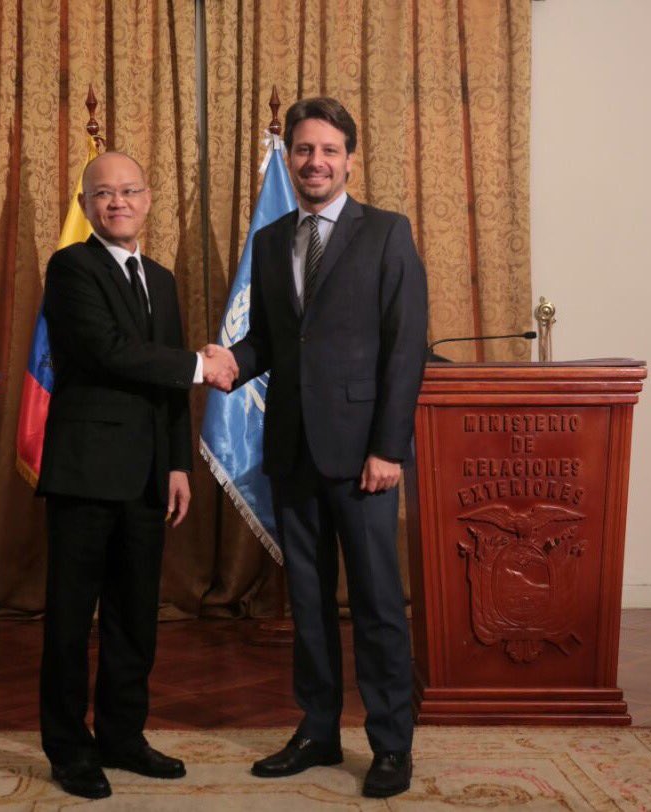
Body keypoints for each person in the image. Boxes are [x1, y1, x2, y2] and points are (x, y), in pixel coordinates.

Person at [206, 97, 428, 798]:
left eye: (329, 150)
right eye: (304, 150)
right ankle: (318, 729)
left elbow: (405, 349)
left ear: (350, 160)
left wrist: (388, 448)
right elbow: (273, 340)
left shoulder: (387, 233)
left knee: (378, 604)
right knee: (306, 600)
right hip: (293, 449)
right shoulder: (273, 240)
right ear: (290, 157)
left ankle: (390, 744)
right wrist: (232, 361)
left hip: (365, 457)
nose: (315, 162)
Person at [36, 151, 236, 799]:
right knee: (71, 619)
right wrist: (202, 366)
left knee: (134, 616)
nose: (117, 202)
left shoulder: (163, 279)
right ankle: (69, 750)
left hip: (149, 473)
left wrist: (178, 462)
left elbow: (165, 388)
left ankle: (122, 736)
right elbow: (109, 351)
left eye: (128, 191)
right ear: (86, 205)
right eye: (103, 193)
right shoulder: (71, 267)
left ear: (148, 200)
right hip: (85, 471)